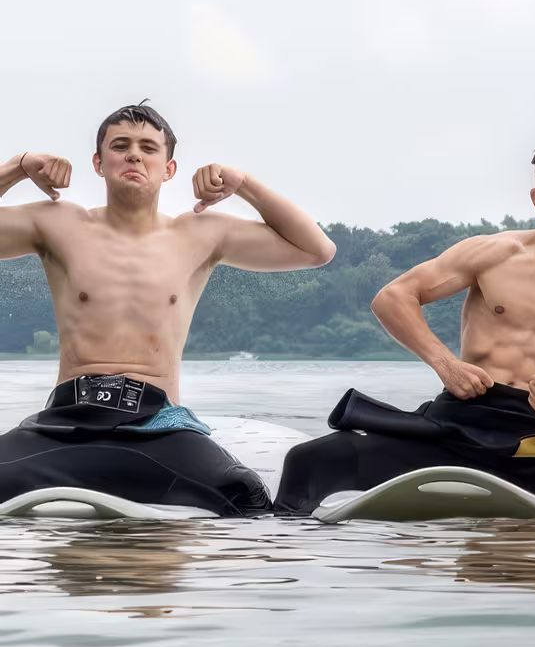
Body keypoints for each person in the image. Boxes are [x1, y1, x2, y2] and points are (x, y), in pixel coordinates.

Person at [276, 129, 535, 515]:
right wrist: (445, 364)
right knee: (309, 460)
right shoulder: (495, 253)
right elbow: (393, 297)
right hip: (453, 427)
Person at [0, 101, 336, 514]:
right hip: (68, 420)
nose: (134, 155)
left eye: (148, 147)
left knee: (244, 495)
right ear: (98, 162)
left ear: (169, 168)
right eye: (120, 145)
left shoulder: (199, 233)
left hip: (155, 423)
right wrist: (18, 166)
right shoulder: (58, 223)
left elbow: (317, 250)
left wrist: (242, 183)